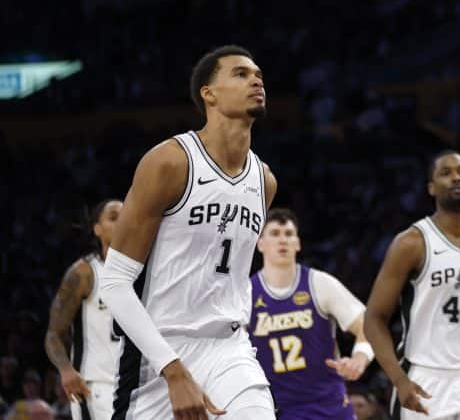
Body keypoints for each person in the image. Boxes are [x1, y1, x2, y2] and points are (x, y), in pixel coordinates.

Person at [100, 45, 277, 420]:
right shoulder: (170, 161)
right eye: (241, 74)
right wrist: (174, 369)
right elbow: (114, 281)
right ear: (208, 94)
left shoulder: (264, 180)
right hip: (159, 352)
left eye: (259, 74)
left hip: (230, 348)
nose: (256, 79)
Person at [364, 151, 460, 419]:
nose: (456, 177)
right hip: (423, 378)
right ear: (431, 188)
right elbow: (374, 318)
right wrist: (398, 379)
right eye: (446, 173)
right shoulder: (411, 243)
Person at [250, 208, 374, 419]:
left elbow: (368, 326)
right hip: (278, 410)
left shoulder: (319, 283)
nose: (283, 240)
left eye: (289, 234)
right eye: (275, 234)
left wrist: (359, 359)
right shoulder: (246, 293)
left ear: (298, 243)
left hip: (330, 407)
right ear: (260, 243)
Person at [44, 199, 123, 420]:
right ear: (97, 229)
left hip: (139, 387)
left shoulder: (146, 273)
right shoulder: (84, 273)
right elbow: (53, 334)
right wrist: (66, 370)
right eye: (114, 217)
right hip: (97, 388)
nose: (123, 222)